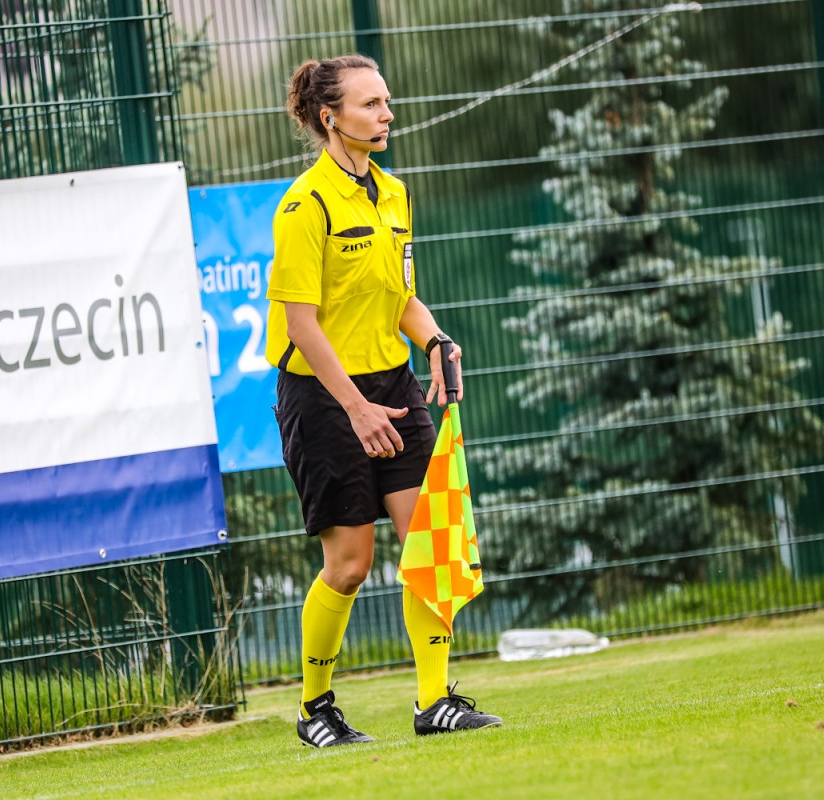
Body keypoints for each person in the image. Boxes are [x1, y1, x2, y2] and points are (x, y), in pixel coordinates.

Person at [265, 54, 503, 748]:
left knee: (428, 543)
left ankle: (435, 703)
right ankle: (315, 709)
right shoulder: (304, 206)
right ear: (329, 116)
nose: (386, 115)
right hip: (323, 395)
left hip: (393, 385)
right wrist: (355, 409)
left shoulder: (394, 193)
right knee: (350, 565)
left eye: (386, 102)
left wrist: (435, 341)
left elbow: (401, 297)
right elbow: (302, 325)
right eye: (370, 105)